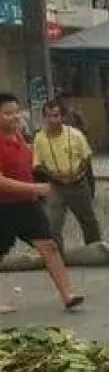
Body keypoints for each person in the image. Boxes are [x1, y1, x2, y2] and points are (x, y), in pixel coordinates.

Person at [0, 93, 84, 312]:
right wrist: (35, 188)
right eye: (7, 113)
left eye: (17, 112)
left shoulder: (21, 137)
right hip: (3, 207)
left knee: (49, 246)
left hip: (27, 205)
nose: (14, 117)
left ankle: (68, 295)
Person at [33, 99, 102, 248]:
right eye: (48, 116)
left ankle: (96, 250)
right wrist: (54, 176)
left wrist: (78, 174)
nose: (52, 120)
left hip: (78, 184)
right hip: (55, 185)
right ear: (43, 118)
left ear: (63, 117)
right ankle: (57, 256)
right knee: (52, 223)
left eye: (55, 116)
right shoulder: (40, 138)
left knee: (88, 220)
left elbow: (86, 157)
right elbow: (38, 164)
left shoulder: (75, 134)